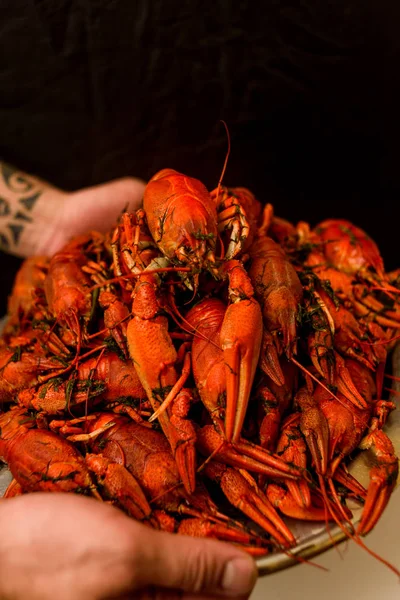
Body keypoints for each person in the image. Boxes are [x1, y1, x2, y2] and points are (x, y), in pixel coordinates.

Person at [1, 2, 399, 598]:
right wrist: (49, 223)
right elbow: (141, 303)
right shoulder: (135, 255)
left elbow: (245, 254)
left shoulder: (235, 234)